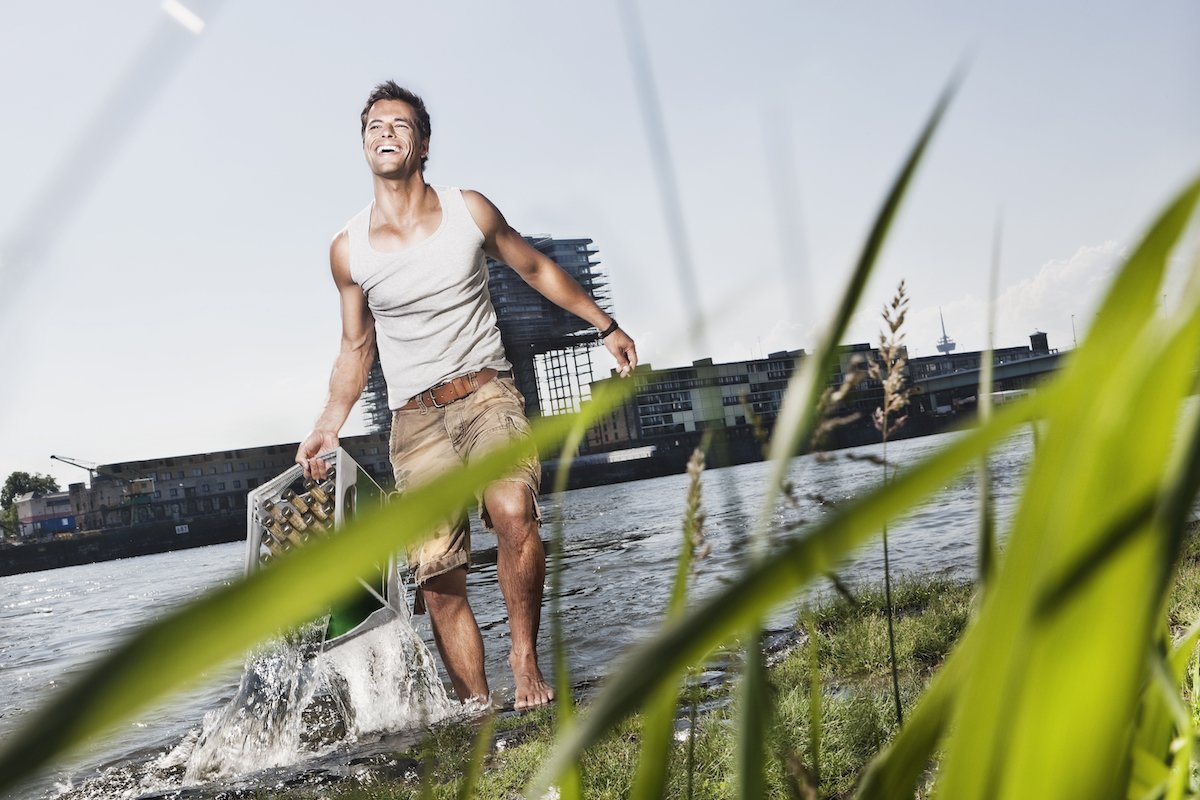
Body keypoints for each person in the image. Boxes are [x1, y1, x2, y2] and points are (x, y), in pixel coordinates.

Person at [295, 81, 637, 710]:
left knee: (513, 512)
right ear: (362, 144)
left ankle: (525, 662)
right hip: (414, 423)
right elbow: (355, 346)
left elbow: (533, 267)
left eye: (399, 125)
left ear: (423, 143)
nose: (385, 134)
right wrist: (328, 422)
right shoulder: (348, 249)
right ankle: (479, 713)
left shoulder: (468, 210)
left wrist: (605, 325)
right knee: (439, 574)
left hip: (487, 394)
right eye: (374, 126)